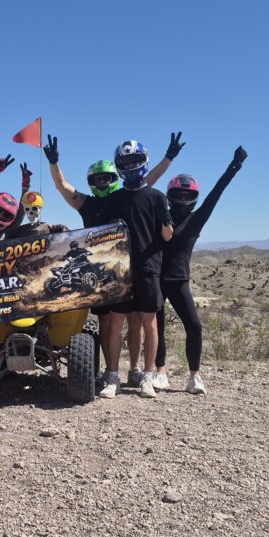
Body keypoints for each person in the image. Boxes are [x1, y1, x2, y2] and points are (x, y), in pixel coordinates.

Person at [46, 133, 183, 388]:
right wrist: (54, 163)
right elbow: (62, 187)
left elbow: (148, 182)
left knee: (134, 322)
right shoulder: (90, 203)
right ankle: (108, 373)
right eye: (97, 179)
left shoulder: (124, 197)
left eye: (106, 178)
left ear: (114, 177)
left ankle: (134, 371)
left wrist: (168, 158)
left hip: (131, 267)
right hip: (102, 270)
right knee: (107, 323)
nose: (102, 182)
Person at [154, 146, 247, 395]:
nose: (184, 199)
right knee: (157, 328)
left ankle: (194, 376)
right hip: (158, 281)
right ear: (171, 195)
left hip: (180, 281)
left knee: (194, 326)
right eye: (179, 194)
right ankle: (160, 372)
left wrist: (234, 167)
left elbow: (216, 194)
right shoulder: (159, 216)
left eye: (188, 195)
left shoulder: (197, 219)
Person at [99, 140, 174, 399]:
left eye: (134, 161)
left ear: (143, 161)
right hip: (120, 269)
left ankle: (148, 377)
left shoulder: (156, 197)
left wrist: (167, 220)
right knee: (115, 323)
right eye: (125, 162)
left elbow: (167, 236)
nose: (130, 166)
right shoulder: (115, 198)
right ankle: (112, 377)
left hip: (148, 268)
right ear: (119, 166)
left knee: (148, 323)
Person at [0, 157, 31, 241]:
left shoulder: (9, 230)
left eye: (6, 215)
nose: (0, 216)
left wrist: (25, 186)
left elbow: (21, 213)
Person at [5, 191, 69, 238]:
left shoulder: (48, 227)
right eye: (27, 209)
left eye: (34, 208)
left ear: (40, 208)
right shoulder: (19, 231)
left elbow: (64, 230)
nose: (31, 212)